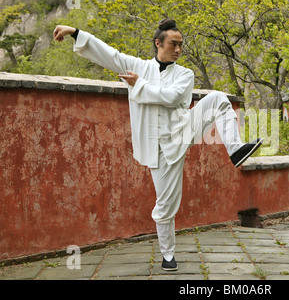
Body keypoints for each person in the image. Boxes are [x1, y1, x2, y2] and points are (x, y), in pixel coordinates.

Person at [53, 19, 263, 271]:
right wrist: (76, 33)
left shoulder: (185, 74)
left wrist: (138, 85)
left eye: (181, 45)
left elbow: (173, 98)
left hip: (183, 130)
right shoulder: (137, 66)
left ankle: (235, 149)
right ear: (158, 43)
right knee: (166, 204)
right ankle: (168, 254)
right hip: (157, 148)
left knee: (218, 98)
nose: (178, 49)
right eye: (174, 44)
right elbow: (109, 54)